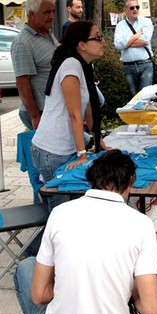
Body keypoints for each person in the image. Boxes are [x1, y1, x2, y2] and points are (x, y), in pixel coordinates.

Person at [14, 149, 157, 314]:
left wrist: (69, 286)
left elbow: (39, 294)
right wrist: (129, 288)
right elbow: (151, 311)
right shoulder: (141, 225)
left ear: (91, 179)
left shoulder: (60, 214)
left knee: (26, 266)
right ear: (129, 184)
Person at [31, 21, 108, 211]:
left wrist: (99, 141)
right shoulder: (72, 65)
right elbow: (74, 114)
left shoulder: (83, 65)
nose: (103, 42)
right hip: (52, 151)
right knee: (60, 211)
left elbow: (88, 108)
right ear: (82, 45)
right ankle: (47, 231)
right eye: (97, 38)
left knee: (70, 207)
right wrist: (82, 155)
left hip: (61, 149)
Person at [11, 0, 58, 130]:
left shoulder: (47, 33)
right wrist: (35, 116)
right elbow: (22, 82)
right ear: (32, 14)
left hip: (52, 109)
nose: (52, 16)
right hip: (41, 111)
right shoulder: (23, 42)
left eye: (53, 11)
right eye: (47, 12)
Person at [114, 0, 154, 97]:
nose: (135, 10)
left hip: (145, 65)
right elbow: (117, 44)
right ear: (126, 10)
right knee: (133, 98)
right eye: (132, 8)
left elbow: (145, 41)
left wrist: (126, 43)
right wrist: (136, 36)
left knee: (145, 96)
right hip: (128, 67)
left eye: (137, 7)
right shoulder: (120, 25)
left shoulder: (146, 22)